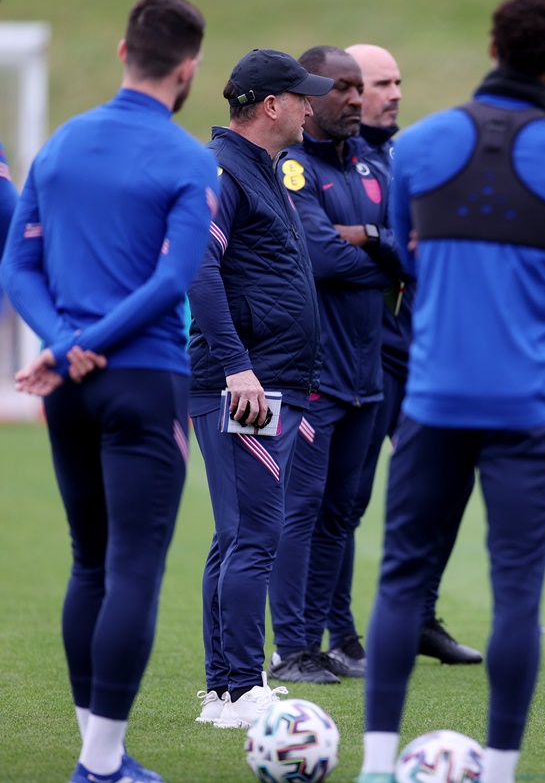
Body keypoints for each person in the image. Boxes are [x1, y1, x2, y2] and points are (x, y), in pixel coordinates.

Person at [356, 0, 545, 783]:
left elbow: (406, 251)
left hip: (431, 402)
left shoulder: (421, 145)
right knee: (517, 595)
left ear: (493, 44)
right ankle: (498, 770)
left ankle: (372, 765)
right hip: (526, 413)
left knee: (400, 582)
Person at [0, 0, 215, 783]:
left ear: (125, 53)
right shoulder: (191, 160)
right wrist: (86, 342)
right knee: (131, 568)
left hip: (68, 389)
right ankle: (99, 765)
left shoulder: (59, 144)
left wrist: (61, 344)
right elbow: (172, 278)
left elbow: (15, 265)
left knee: (88, 561)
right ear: (188, 70)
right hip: (144, 380)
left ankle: (101, 751)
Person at [188, 48, 332, 728]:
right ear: (271, 105)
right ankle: (244, 687)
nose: (313, 105)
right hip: (247, 386)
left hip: (267, 379)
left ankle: (224, 688)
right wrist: (238, 367)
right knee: (254, 536)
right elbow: (200, 267)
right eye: (303, 96)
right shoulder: (224, 171)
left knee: (236, 534)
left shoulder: (261, 170)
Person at [327, 42, 482, 672]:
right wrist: (389, 245)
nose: (392, 93)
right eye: (378, 83)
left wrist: (372, 236)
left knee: (449, 485)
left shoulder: (412, 152)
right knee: (349, 497)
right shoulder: (334, 157)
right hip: (370, 352)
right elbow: (331, 244)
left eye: (397, 81)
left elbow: (430, 239)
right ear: (348, 90)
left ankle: (419, 613)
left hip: (431, 348)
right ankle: (336, 630)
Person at [263, 45, 401, 685]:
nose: (353, 99)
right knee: (302, 509)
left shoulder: (375, 167)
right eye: (340, 89)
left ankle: (318, 642)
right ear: (310, 97)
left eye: (357, 88)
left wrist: (370, 239)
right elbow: (321, 257)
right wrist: (382, 252)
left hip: (366, 375)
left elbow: (414, 248)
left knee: (343, 512)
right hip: (312, 376)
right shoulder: (292, 170)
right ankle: (291, 646)